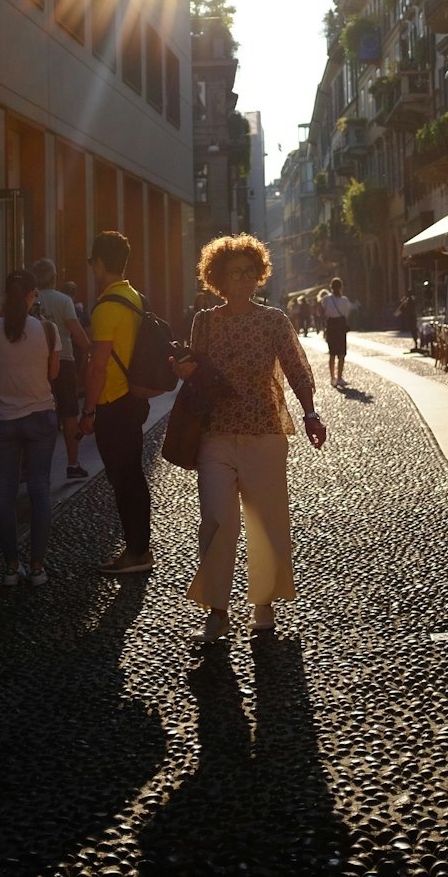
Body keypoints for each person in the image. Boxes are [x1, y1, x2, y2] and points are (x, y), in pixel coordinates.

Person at [178, 233, 327, 643]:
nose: (242, 280)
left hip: (264, 432)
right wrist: (186, 372)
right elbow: (197, 372)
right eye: (233, 274)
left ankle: (263, 602)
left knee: (266, 522)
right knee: (216, 519)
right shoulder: (204, 321)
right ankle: (217, 609)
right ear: (218, 280)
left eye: (249, 272)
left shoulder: (274, 320)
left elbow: (297, 369)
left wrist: (310, 412)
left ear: (259, 275)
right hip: (216, 435)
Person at [77, 231, 156, 576]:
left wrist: (88, 410)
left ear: (100, 262)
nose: (91, 268)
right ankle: (138, 547)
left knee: (124, 480)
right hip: (134, 399)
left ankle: (137, 552)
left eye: (92, 261)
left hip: (113, 401)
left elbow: (98, 366)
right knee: (133, 477)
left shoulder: (106, 306)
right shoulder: (136, 297)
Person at [0, 269, 61, 586]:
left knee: (6, 492)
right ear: (32, 295)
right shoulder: (47, 330)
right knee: (40, 489)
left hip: (2, 419)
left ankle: (12, 567)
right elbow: (53, 374)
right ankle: (37, 566)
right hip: (39, 415)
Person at [33, 256, 91, 480]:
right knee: (69, 414)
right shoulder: (64, 300)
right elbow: (77, 332)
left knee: (38, 411)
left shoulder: (32, 299)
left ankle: (34, 465)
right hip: (64, 360)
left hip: (37, 362)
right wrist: (88, 348)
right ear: (55, 278)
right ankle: (73, 463)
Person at [320, 278, 354, 388]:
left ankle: (332, 377)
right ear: (341, 287)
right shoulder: (344, 300)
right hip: (341, 326)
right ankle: (339, 377)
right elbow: (347, 313)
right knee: (341, 353)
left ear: (330, 286)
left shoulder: (326, 299)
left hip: (331, 326)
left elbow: (323, 312)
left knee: (332, 353)